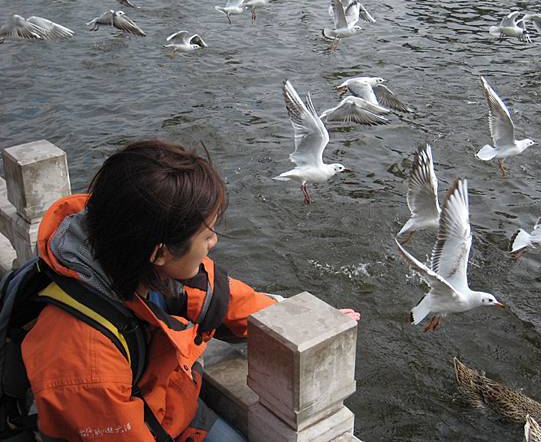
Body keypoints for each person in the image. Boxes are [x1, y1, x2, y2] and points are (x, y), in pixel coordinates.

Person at [21, 140, 359, 441]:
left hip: (169, 400)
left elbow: (222, 299)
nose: (214, 242)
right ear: (160, 252)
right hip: (135, 422)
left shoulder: (134, 253)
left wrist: (291, 317)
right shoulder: (83, 362)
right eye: (207, 235)